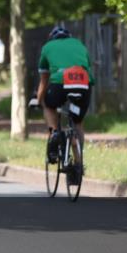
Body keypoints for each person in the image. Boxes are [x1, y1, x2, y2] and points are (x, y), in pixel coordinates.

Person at [35, 25, 93, 186]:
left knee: (49, 105)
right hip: (83, 85)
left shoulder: (47, 47)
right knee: (78, 123)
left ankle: (54, 132)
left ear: (51, 37)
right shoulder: (79, 45)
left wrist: (39, 100)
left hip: (59, 84)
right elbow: (88, 67)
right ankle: (79, 163)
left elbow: (44, 80)